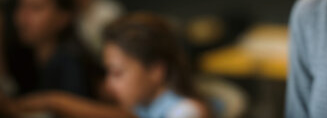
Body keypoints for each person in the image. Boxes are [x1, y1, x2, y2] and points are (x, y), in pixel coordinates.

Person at [6, 13, 211, 118]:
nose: (109, 85)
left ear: (156, 71)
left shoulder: (186, 112)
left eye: (118, 73)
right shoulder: (145, 106)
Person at [7, 0, 96, 97]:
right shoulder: (20, 56)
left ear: (63, 17)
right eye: (20, 6)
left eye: (36, 8)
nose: (22, 17)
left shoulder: (69, 63)